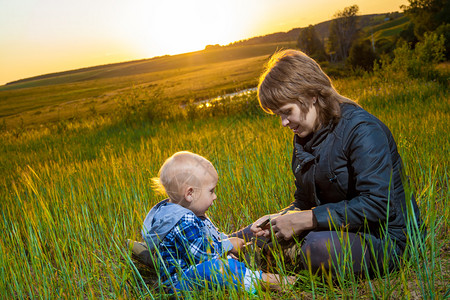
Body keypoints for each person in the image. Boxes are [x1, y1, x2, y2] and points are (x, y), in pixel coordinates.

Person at [233, 49, 422, 276]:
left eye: (287, 112)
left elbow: (378, 204)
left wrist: (307, 219)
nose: (283, 123)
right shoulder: (304, 137)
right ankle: (223, 246)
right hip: (341, 230)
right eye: (278, 115)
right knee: (263, 236)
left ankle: (291, 266)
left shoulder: (362, 130)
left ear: (312, 95)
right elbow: (304, 201)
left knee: (317, 247)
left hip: (387, 238)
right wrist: (279, 219)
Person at [139, 151, 295, 294]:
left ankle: (247, 272)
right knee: (217, 269)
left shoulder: (185, 213)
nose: (215, 196)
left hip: (192, 273)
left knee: (224, 264)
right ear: (190, 193)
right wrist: (228, 245)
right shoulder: (182, 220)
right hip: (180, 283)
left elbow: (210, 239)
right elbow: (201, 253)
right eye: (211, 191)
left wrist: (225, 246)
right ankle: (266, 281)